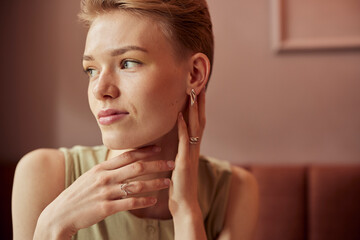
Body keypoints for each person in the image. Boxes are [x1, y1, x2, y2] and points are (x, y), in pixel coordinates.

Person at [12, 0, 259, 239]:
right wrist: (51, 228)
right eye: (92, 69)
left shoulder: (234, 192)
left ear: (194, 74)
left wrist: (186, 210)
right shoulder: (43, 175)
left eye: (128, 63)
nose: (100, 89)